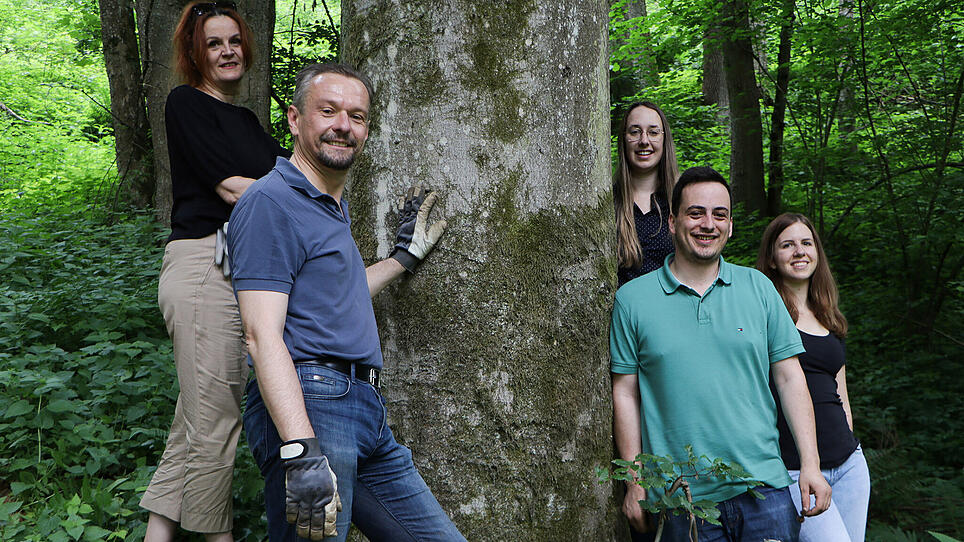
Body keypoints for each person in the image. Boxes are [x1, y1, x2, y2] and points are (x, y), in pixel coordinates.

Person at [227, 62, 465, 542]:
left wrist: (403, 258)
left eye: (356, 116)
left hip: (366, 412)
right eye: (329, 111)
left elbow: (340, 295)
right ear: (295, 119)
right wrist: (301, 450)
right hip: (314, 405)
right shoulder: (271, 202)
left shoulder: (328, 207)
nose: (343, 125)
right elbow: (261, 334)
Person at [610, 166, 832, 542]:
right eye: (696, 213)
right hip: (681, 499)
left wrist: (810, 464)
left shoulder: (759, 287)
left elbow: (790, 377)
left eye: (720, 215)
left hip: (764, 491)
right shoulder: (632, 300)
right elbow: (626, 393)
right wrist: (635, 481)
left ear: (730, 226)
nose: (707, 224)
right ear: (672, 221)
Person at [138, 3, 290, 540]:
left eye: (234, 41)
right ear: (195, 54)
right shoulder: (186, 104)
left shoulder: (247, 121)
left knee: (193, 422)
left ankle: (159, 534)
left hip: (234, 272)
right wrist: (300, 196)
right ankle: (217, 535)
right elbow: (231, 189)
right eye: (213, 44)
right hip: (205, 266)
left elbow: (295, 175)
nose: (227, 51)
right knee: (216, 422)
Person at [757, 213, 870, 542]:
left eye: (806, 243)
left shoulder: (829, 315)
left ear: (817, 253)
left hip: (850, 465)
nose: (799, 251)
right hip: (796, 469)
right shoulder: (764, 314)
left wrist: (848, 440)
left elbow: (841, 394)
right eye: (787, 245)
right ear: (773, 259)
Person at [614, 102, 679, 288]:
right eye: (635, 132)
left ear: (664, 139)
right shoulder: (607, 203)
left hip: (672, 312)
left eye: (653, 132)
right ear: (623, 139)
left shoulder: (681, 201)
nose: (644, 140)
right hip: (623, 314)